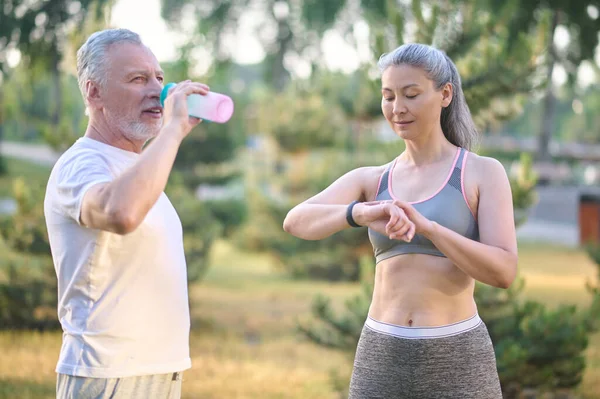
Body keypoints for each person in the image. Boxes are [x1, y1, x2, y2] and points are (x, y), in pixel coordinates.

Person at [283, 43, 517, 398]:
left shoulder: (482, 173)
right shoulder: (373, 180)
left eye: (411, 94)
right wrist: (359, 213)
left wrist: (430, 229)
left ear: (445, 95)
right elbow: (295, 221)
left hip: (456, 356)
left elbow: (503, 271)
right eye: (388, 96)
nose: (397, 108)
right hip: (381, 355)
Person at [44, 28, 209, 398]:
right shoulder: (81, 164)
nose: (157, 90)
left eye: (160, 78)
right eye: (138, 79)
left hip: (160, 372)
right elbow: (122, 213)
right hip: (107, 376)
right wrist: (173, 130)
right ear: (93, 91)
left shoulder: (136, 164)